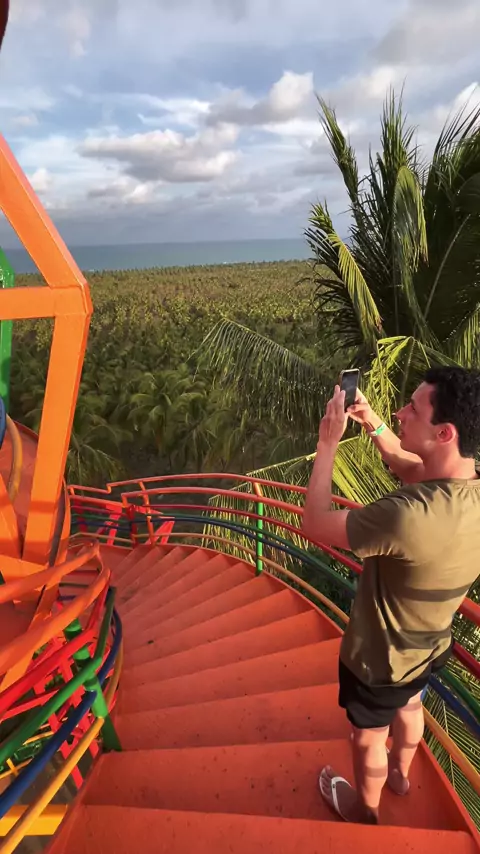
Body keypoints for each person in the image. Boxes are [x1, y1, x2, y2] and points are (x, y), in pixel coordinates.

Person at [302, 366, 480, 824]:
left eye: (412, 410)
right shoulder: (467, 489)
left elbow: (315, 523)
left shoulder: (406, 515)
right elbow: (410, 466)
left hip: (379, 660)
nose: (401, 412)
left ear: (444, 433)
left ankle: (365, 808)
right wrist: (371, 421)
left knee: (367, 737)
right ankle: (400, 775)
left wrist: (327, 443)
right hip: (430, 645)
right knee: (411, 702)